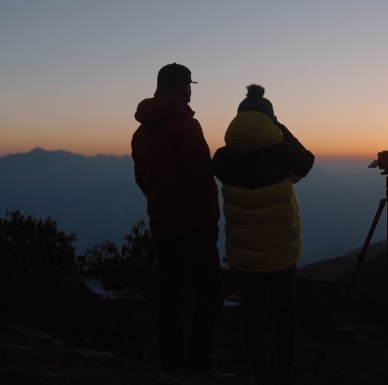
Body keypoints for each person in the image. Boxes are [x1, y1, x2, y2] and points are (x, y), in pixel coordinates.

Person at [131, 63, 234, 385]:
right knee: (210, 294)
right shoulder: (186, 127)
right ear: (183, 89)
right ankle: (200, 367)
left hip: (162, 224)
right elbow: (202, 178)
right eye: (188, 86)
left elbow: (142, 180)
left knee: (170, 296)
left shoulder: (141, 131)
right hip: (194, 225)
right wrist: (211, 218)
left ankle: (171, 369)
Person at [212, 84, 314, 385]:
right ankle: (285, 375)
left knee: (253, 319)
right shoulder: (282, 152)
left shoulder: (222, 158)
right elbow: (306, 163)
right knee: (284, 317)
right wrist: (280, 127)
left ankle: (260, 375)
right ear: (270, 120)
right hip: (282, 255)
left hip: (244, 257)